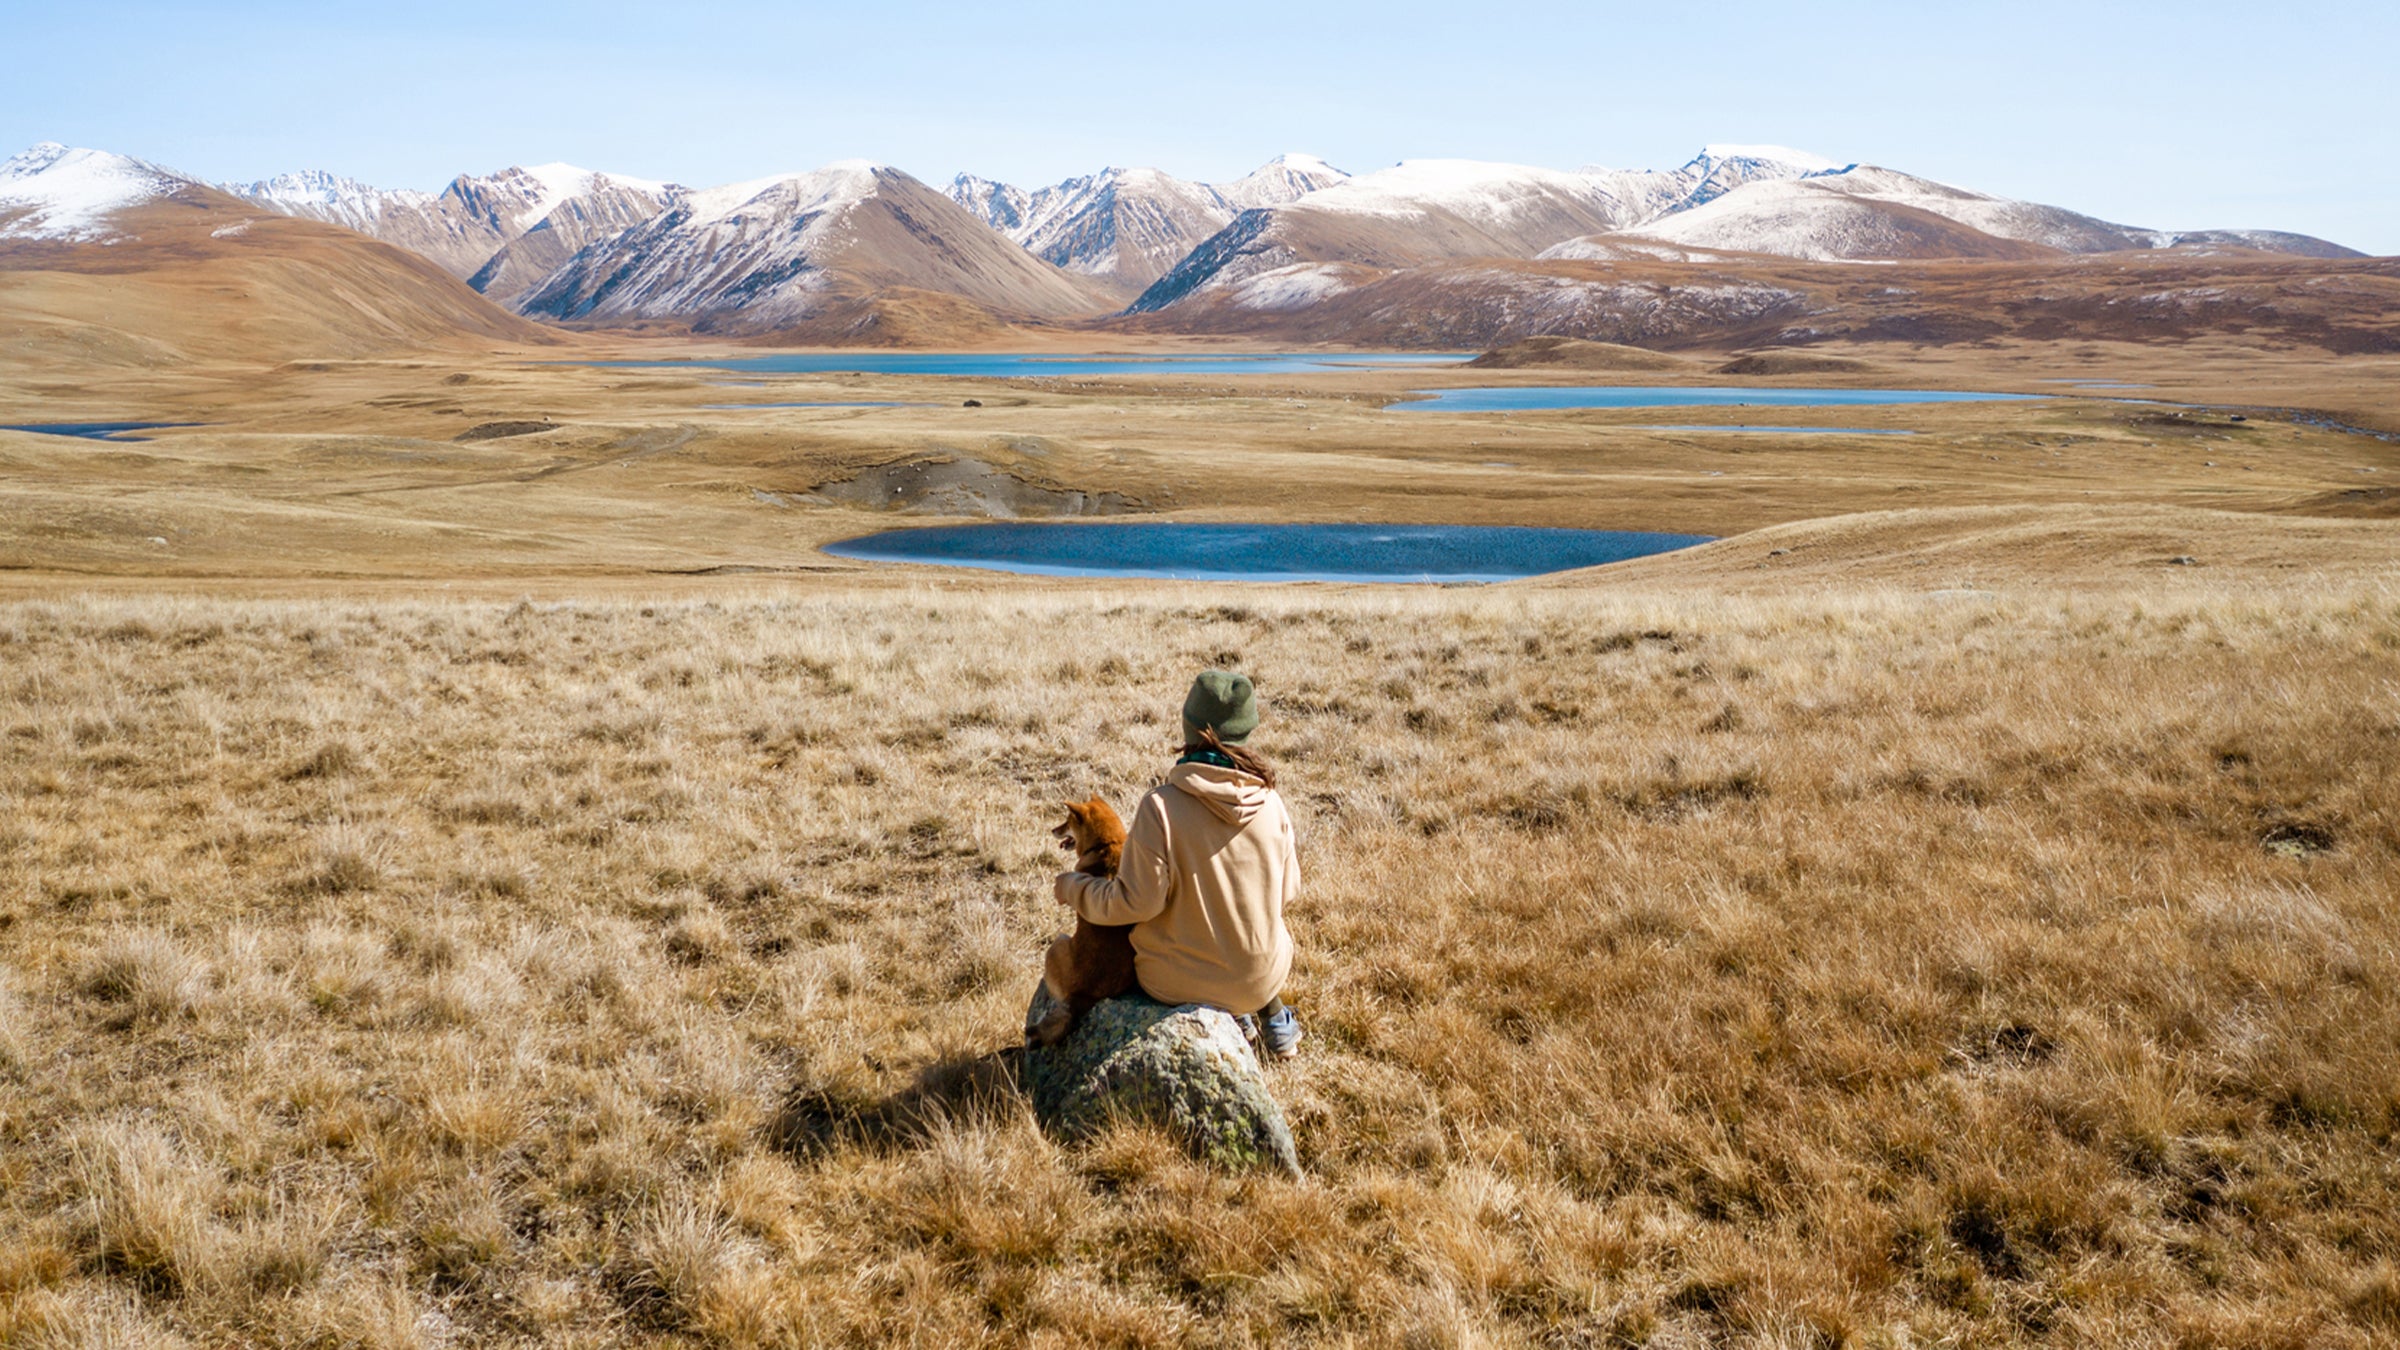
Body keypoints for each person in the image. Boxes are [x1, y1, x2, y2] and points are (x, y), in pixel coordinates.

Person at [1055, 670, 1303, 1058]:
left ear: (1188, 729)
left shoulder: (1160, 807)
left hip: (1176, 984)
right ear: (1246, 732)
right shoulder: (1272, 803)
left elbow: (1135, 904)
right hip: (1261, 979)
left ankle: (1230, 1017)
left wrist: (1074, 888)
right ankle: (1273, 1022)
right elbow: (1288, 892)